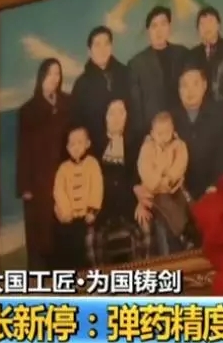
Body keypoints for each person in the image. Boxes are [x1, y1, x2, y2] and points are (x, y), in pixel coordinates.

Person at [16, 57, 71, 270]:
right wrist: (25, 187)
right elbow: (24, 150)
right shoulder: (28, 110)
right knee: (40, 237)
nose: (54, 78)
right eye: (50, 74)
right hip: (38, 182)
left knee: (62, 234)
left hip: (63, 176)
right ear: (41, 77)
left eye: (57, 73)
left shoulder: (67, 103)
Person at [93, 99, 149, 264]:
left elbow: (144, 176)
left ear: (127, 116)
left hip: (131, 207)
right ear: (105, 117)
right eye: (112, 113)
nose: (117, 118)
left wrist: (142, 202)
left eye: (121, 113)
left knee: (145, 227)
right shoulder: (94, 147)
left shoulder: (137, 144)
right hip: (102, 210)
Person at [172, 65, 223, 200]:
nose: (190, 91)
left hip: (214, 190)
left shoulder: (221, 114)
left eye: (195, 84)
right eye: (184, 85)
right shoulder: (170, 119)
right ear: (178, 89)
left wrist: (215, 185)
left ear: (204, 85)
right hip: (178, 192)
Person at [128, 6, 190, 140]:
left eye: (163, 24)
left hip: (183, 129)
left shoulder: (183, 54)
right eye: (154, 26)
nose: (159, 30)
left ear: (170, 27)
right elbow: (136, 107)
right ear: (148, 31)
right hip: (153, 133)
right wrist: (145, 135)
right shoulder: (137, 63)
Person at [137, 112, 192, 256]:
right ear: (152, 133)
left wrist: (169, 178)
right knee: (162, 206)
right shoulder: (147, 148)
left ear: (173, 130)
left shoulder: (179, 145)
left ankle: (183, 235)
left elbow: (180, 165)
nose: (164, 137)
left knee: (181, 204)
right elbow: (145, 170)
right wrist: (158, 182)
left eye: (167, 132)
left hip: (174, 188)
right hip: (154, 192)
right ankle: (181, 235)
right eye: (159, 133)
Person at [70, 26, 130, 158]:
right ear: (89, 51)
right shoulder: (81, 84)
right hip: (95, 153)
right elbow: (76, 124)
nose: (102, 49)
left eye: (106, 44)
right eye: (97, 45)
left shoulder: (126, 74)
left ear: (112, 47)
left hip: (128, 149)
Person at [53, 127, 104, 268]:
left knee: (88, 244)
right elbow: (59, 190)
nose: (75, 147)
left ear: (88, 144)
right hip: (68, 218)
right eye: (72, 144)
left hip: (87, 216)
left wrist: (92, 210)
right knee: (67, 246)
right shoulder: (63, 168)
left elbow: (97, 187)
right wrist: (65, 211)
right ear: (67, 147)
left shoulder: (92, 164)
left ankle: (92, 270)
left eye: (80, 143)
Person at [189, 6, 223, 109]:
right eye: (202, 24)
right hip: (202, 111)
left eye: (210, 22)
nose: (206, 27)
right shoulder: (192, 54)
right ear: (198, 29)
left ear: (218, 25)